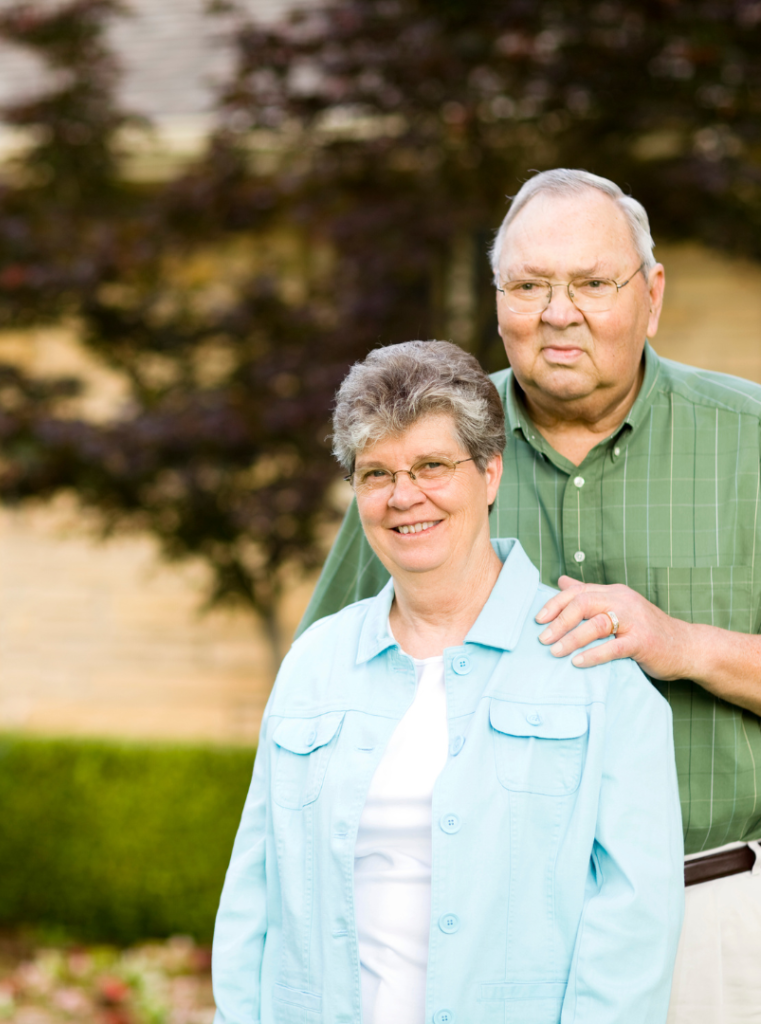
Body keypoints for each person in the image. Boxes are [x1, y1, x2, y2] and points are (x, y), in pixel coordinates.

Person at [298, 169, 761, 1023]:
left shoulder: (752, 443)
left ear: (650, 295)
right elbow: (324, 693)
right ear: (498, 299)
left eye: (591, 283)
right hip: (485, 949)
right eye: (530, 285)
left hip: (716, 919)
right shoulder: (428, 461)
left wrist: (684, 646)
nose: (559, 312)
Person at [212, 340, 684, 1024]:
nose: (405, 497)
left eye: (431, 465)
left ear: (490, 473)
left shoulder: (591, 665)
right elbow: (254, 891)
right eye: (377, 474)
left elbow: (634, 924)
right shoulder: (316, 661)